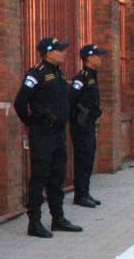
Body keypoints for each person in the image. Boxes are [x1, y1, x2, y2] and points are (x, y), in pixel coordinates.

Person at [13, 36, 82, 238]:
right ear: (49, 52)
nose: (64, 53)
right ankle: (34, 223)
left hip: (58, 133)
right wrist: (32, 122)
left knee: (57, 176)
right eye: (60, 50)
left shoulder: (58, 73)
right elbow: (20, 102)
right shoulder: (37, 74)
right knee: (39, 177)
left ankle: (57, 218)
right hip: (43, 133)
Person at [69, 44, 107, 208]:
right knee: (83, 159)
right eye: (98, 55)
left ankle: (84, 192)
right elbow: (71, 99)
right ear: (89, 58)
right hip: (81, 125)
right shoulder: (82, 77)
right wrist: (79, 116)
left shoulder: (92, 76)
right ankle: (80, 194)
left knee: (88, 158)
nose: (100, 58)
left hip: (88, 125)